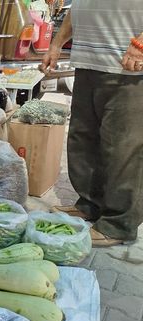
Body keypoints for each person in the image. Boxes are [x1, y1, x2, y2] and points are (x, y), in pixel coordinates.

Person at [41, 0, 143, 247]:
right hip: (87, 62)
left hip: (127, 68)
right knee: (82, 139)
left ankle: (119, 225)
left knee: (122, 150)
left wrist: (140, 44)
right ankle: (90, 204)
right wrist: (56, 44)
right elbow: (78, 8)